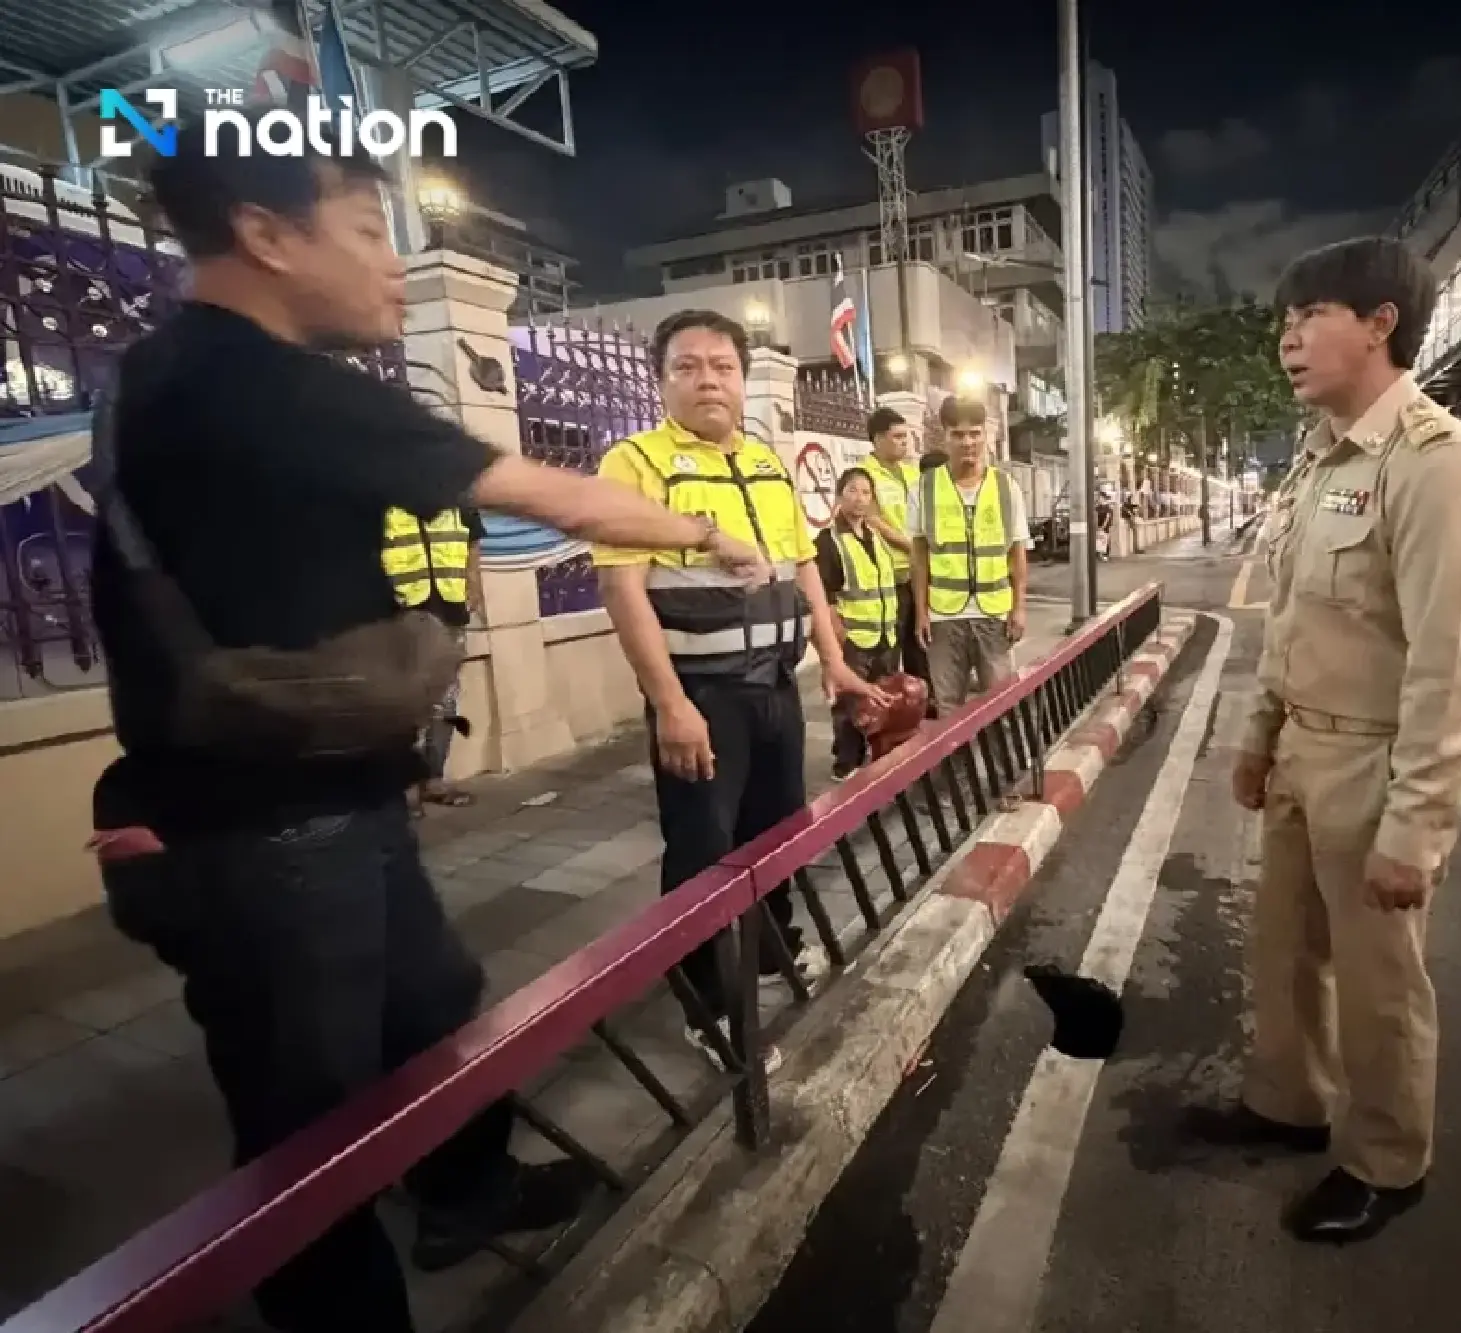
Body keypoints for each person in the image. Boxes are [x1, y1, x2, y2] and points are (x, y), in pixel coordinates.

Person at [89, 121, 769, 1333]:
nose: (394, 265)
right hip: (263, 833)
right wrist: (707, 534)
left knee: (434, 1006)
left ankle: (465, 1189)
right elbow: (536, 490)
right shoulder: (256, 378)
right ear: (266, 234)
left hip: (324, 794)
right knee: (306, 1124)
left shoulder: (176, 374)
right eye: (365, 231)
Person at [1194, 236, 1461, 1244]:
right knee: (1285, 950)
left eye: (1311, 316)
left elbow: (1446, 671)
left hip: (1374, 764)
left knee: (1380, 983)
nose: (1287, 340)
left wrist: (1415, 828)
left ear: (1381, 324)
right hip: (1301, 751)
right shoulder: (1322, 460)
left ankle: (1386, 1159)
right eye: (1284, 322)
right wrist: (1258, 736)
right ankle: (1288, 1102)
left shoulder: (1437, 467)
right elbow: (1291, 615)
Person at [593, 310, 885, 1068]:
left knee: (779, 833)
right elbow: (623, 591)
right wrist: (670, 704)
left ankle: (769, 951)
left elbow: (804, 569)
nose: (708, 380)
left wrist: (836, 664)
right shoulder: (634, 464)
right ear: (661, 381)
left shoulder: (764, 463)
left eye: (722, 366)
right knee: (702, 850)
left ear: (742, 379)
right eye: (687, 366)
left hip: (776, 690)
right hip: (702, 696)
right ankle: (709, 1002)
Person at [909, 394, 1030, 720]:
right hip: (944, 616)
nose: (968, 442)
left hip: (995, 614)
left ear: (985, 434)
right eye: (958, 434)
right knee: (949, 708)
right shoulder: (924, 488)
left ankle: (1001, 757)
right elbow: (919, 557)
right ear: (944, 436)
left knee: (1001, 707)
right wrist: (921, 612)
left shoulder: (1006, 487)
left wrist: (1019, 607)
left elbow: (1018, 553)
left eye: (975, 433)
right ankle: (957, 758)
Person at [383, 502, 482, 811]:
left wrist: (473, 581)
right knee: (403, 699)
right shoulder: (380, 494)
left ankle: (434, 778)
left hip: (450, 608)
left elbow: (472, 537)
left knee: (446, 697)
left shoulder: (455, 492)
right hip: (400, 611)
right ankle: (405, 787)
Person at [815, 467, 903, 778]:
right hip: (853, 639)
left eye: (866, 492)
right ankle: (846, 763)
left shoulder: (876, 536)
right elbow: (823, 593)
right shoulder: (828, 540)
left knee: (883, 700)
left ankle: (879, 757)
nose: (859, 498)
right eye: (852, 490)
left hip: (884, 636)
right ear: (839, 496)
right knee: (850, 704)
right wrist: (836, 632)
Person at [858, 406, 925, 684]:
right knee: (888, 650)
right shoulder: (864, 474)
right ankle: (889, 701)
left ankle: (923, 699)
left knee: (920, 644)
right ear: (877, 439)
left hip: (916, 574)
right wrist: (910, 546)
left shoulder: (912, 473)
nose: (904, 442)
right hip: (887, 578)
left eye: (905, 436)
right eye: (897, 437)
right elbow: (872, 519)